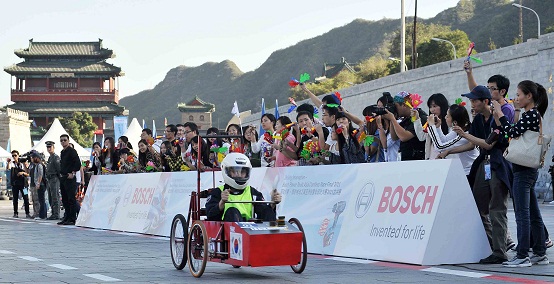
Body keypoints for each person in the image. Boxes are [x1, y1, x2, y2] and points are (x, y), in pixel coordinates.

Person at [447, 85, 513, 264]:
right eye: (470, 101)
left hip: (498, 164)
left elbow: (488, 144)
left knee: (497, 208)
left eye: (474, 100)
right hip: (483, 165)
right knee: (478, 206)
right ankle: (493, 245)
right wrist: (450, 151)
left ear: (486, 101)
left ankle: (500, 251)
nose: (472, 104)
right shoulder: (477, 121)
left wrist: (464, 135)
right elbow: (473, 144)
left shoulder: (497, 118)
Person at [493, 81, 549, 267]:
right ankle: (540, 253)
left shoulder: (532, 114)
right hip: (526, 170)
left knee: (522, 214)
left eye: (518, 95)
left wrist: (500, 115)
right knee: (532, 213)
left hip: (523, 171)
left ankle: (523, 254)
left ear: (529, 96)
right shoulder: (531, 114)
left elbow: (511, 131)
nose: (516, 98)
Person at [205, 153, 281, 222]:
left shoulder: (253, 193)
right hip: (227, 232)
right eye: (235, 171)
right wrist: (222, 202)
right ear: (226, 171)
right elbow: (210, 216)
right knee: (232, 211)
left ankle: (272, 237)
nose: (239, 175)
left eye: (242, 172)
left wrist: (273, 203)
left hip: (249, 231)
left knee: (268, 212)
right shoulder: (217, 192)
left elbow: (264, 215)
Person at [432, 103, 479, 177]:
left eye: (447, 116)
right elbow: (444, 141)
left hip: (471, 171)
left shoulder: (464, 135)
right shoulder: (456, 131)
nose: (445, 117)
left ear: (455, 122)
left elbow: (440, 147)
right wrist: (437, 127)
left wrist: (432, 127)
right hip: (465, 170)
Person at [382, 91, 427, 161]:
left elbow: (404, 137)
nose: (395, 109)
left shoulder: (420, 117)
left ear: (404, 105)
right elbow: (394, 137)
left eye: (396, 106)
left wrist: (392, 119)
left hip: (418, 161)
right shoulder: (406, 119)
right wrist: (392, 118)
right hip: (407, 159)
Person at [413, 93, 450, 160]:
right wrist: (417, 119)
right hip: (431, 157)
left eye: (435, 106)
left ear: (442, 106)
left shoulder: (449, 122)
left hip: (446, 158)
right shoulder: (430, 122)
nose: (432, 110)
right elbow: (422, 137)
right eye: (430, 107)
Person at [58, 134, 82, 225]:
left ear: (68, 141)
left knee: (71, 199)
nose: (63, 142)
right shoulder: (62, 152)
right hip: (63, 177)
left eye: (65, 140)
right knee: (64, 199)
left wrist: (73, 173)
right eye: (61, 140)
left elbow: (78, 164)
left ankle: (72, 218)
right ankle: (67, 217)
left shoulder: (72, 151)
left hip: (70, 177)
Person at [375, 93, 400, 162]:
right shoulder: (384, 126)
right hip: (388, 162)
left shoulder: (398, 123)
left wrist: (380, 125)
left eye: (381, 108)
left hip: (397, 162)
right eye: (377, 107)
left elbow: (386, 145)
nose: (378, 111)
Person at [7, 150, 31, 218]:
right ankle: (15, 213)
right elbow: (8, 169)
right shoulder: (12, 163)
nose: (14, 157)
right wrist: (8, 162)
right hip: (15, 184)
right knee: (15, 198)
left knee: (26, 198)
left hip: (24, 184)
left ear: (18, 155)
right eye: (13, 156)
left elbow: (28, 173)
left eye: (15, 155)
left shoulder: (23, 163)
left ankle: (27, 213)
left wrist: (23, 172)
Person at [45, 141, 61, 220]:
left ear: (53, 147)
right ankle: (53, 213)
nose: (49, 148)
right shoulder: (50, 157)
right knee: (51, 197)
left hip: (54, 178)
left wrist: (59, 178)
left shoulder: (55, 157)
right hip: (50, 179)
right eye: (47, 147)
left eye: (50, 147)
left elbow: (59, 169)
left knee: (55, 196)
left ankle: (56, 214)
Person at [29, 151, 47, 220]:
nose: (32, 159)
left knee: (41, 200)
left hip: (41, 184)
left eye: (33, 158)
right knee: (40, 200)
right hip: (38, 184)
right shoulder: (36, 165)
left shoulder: (40, 165)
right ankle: (42, 214)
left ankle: (42, 215)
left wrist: (38, 183)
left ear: (36, 158)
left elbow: (40, 175)